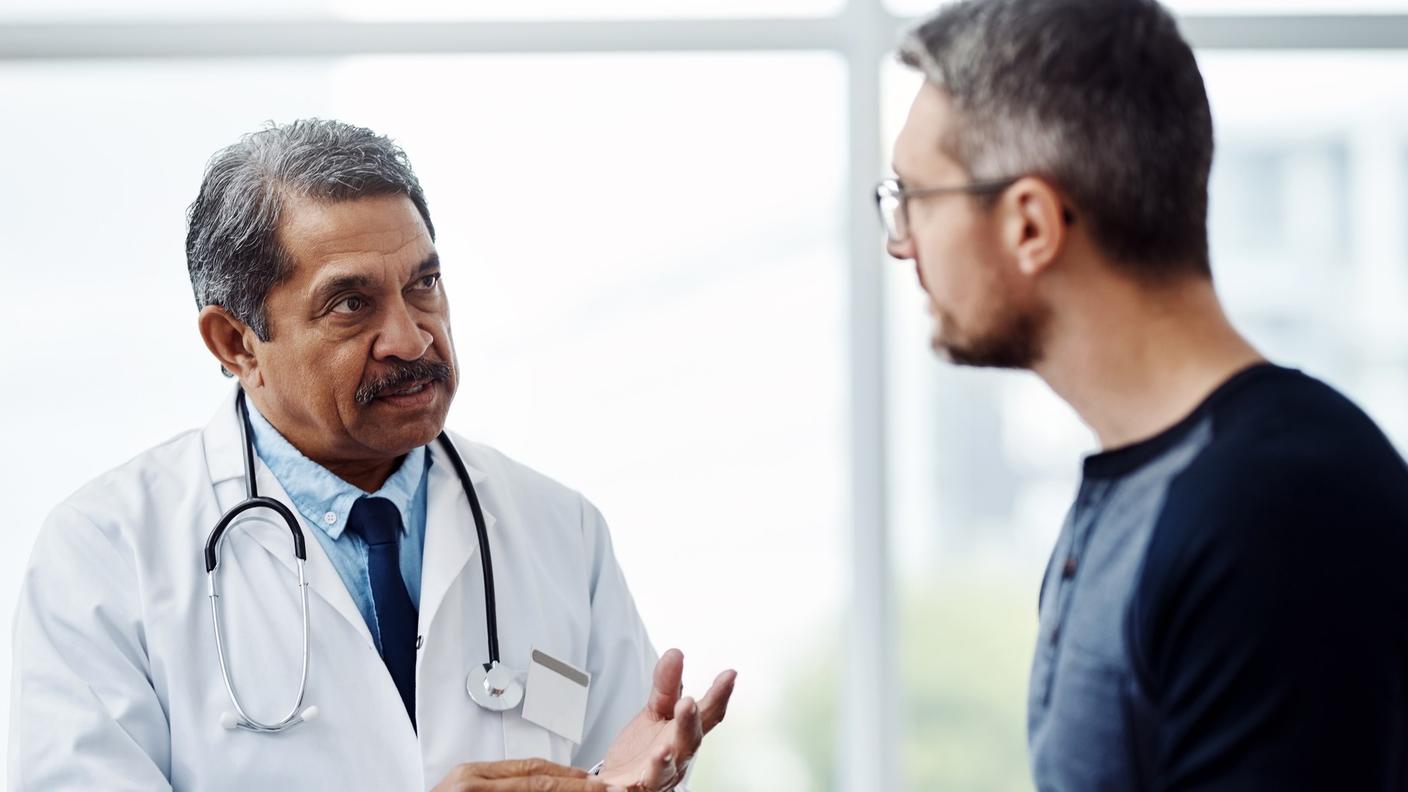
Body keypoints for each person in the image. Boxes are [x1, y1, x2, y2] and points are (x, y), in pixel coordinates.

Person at [10, 119, 734, 792]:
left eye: (424, 285)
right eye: (351, 304)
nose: (413, 339)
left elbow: (607, 768)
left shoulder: (559, 529)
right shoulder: (106, 555)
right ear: (237, 344)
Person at [882, 0, 1408, 788]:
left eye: (915, 199)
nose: (901, 244)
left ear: (1031, 225)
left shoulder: (1276, 512)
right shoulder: (1150, 493)